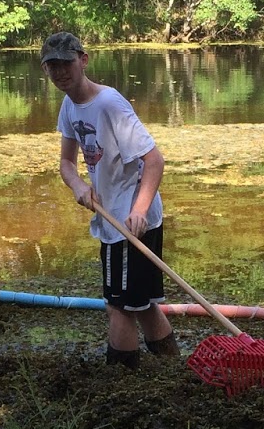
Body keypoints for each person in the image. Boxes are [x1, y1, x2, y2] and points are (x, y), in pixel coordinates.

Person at [43, 31, 179, 366]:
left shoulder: (109, 104)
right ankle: (173, 367)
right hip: (112, 217)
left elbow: (154, 160)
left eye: (66, 63)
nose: (60, 72)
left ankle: (120, 380)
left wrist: (139, 211)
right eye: (52, 66)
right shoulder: (69, 105)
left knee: (117, 305)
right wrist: (78, 186)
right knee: (140, 302)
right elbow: (66, 163)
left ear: (83, 61)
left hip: (130, 221)